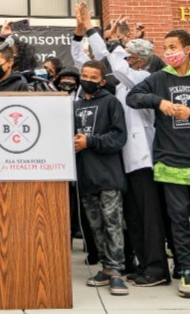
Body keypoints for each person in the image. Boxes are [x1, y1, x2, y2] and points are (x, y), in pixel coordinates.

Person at [75, 3, 169, 287]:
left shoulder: (143, 79)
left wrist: (94, 29)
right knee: (134, 219)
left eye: (129, 56)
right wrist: (83, 33)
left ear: (140, 60)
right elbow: (91, 63)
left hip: (142, 161)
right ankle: (141, 265)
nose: (125, 59)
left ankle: (157, 269)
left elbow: (110, 59)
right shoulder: (122, 83)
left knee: (149, 218)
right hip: (123, 163)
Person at [127, 29, 190, 300]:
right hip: (168, 159)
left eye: (173, 46)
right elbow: (132, 98)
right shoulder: (157, 79)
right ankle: (184, 269)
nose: (168, 52)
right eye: (165, 47)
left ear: (187, 48)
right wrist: (159, 102)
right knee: (178, 219)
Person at [73, 60, 129, 296]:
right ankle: (106, 268)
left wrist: (90, 141)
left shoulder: (111, 103)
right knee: (96, 227)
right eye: (84, 76)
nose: (87, 80)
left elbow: (119, 137)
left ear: (102, 81)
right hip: (85, 178)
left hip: (108, 176)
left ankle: (117, 271)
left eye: (93, 77)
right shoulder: (72, 106)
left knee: (112, 224)